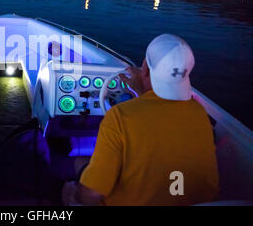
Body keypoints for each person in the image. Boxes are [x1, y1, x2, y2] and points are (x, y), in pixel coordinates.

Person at [63, 34, 219, 206]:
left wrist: (76, 196)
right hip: (189, 200)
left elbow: (91, 194)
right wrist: (142, 93)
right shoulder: (198, 112)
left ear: (145, 68)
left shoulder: (120, 116)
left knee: (77, 171)